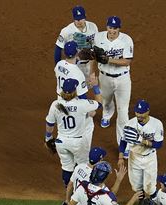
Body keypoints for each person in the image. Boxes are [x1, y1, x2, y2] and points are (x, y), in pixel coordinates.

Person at [45, 78, 102, 187]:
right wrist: (95, 86)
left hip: (61, 142)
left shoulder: (55, 104)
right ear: (75, 91)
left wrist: (48, 137)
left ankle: (68, 190)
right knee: (83, 166)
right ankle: (84, 190)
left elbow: (49, 124)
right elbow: (99, 104)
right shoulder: (82, 104)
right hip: (78, 143)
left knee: (66, 167)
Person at [118, 99, 164, 205]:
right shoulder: (130, 124)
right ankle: (145, 202)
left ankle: (150, 204)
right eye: (137, 112)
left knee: (150, 186)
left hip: (149, 158)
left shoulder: (156, 124)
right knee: (136, 186)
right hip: (134, 158)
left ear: (148, 111)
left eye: (141, 113)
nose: (139, 115)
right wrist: (121, 156)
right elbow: (123, 141)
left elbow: (159, 144)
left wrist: (142, 140)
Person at [93, 16, 134, 145]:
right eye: (110, 27)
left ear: (119, 29)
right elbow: (93, 55)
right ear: (107, 27)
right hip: (104, 77)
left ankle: (124, 144)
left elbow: (127, 60)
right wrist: (91, 72)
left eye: (115, 28)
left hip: (123, 79)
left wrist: (108, 60)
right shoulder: (98, 37)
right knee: (106, 100)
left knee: (123, 112)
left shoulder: (126, 40)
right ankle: (106, 115)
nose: (112, 31)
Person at [54, 40, 95, 150]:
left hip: (60, 100)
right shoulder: (77, 73)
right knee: (87, 126)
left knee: (64, 126)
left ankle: (63, 147)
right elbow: (82, 96)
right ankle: (82, 153)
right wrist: (89, 109)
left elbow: (65, 64)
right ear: (77, 53)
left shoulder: (59, 64)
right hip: (74, 102)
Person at [54, 5, 98, 77]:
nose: (79, 21)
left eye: (81, 19)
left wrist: (92, 70)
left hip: (89, 64)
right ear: (73, 18)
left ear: (85, 17)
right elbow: (58, 49)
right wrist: (57, 67)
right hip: (74, 65)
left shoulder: (93, 26)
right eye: (77, 19)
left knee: (88, 86)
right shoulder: (66, 31)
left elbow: (95, 45)